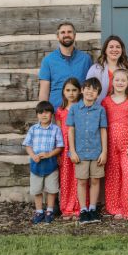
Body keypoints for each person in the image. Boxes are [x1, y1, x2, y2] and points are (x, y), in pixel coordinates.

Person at [67, 77, 107, 225]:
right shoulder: (74, 109)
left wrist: (104, 152)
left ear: (98, 94)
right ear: (82, 90)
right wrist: (72, 151)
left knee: (95, 180)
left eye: (94, 90)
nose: (90, 92)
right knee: (82, 181)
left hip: (96, 152)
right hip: (80, 153)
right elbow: (71, 130)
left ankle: (92, 208)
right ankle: (83, 210)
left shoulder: (100, 110)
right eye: (88, 88)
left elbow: (103, 131)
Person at [101, 69, 128, 220]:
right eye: (117, 80)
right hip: (111, 145)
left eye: (123, 80)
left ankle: (127, 208)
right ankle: (114, 207)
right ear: (112, 82)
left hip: (127, 145)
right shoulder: (106, 102)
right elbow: (102, 125)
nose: (120, 83)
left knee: (127, 174)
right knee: (113, 176)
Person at [24, 101, 64, 224]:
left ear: (52, 114)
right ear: (37, 115)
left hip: (51, 164)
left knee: (52, 189)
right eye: (41, 113)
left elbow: (60, 146)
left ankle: (49, 210)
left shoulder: (56, 129)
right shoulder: (33, 129)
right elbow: (27, 145)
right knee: (37, 190)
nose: (44, 115)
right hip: (36, 164)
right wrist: (33, 156)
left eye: (47, 112)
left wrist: (49, 154)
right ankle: (39, 211)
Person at [39, 21, 92, 109]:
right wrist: (44, 112)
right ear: (57, 36)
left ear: (74, 35)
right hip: (56, 111)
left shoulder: (86, 59)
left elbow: (91, 87)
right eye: (63, 32)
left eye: (69, 32)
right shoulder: (48, 60)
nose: (66, 35)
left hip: (81, 111)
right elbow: (44, 91)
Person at [55, 78, 84, 220]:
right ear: (63, 92)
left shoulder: (82, 107)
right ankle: (67, 208)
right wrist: (58, 153)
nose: (71, 93)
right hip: (65, 148)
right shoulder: (60, 111)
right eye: (68, 90)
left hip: (80, 146)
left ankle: (78, 207)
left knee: (79, 177)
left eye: (74, 90)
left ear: (79, 92)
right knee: (66, 177)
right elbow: (58, 133)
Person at [86, 35, 128, 104]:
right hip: (100, 107)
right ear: (105, 50)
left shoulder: (126, 68)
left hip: (122, 107)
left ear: (122, 50)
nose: (115, 50)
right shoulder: (95, 69)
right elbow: (88, 91)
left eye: (118, 47)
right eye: (111, 47)